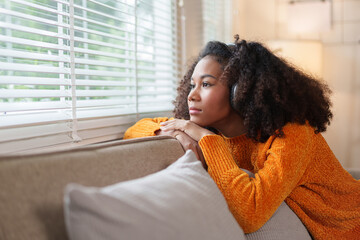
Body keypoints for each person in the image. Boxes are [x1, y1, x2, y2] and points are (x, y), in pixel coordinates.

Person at [124, 35, 360, 239]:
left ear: (241, 90)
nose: (191, 95)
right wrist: (178, 131)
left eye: (206, 84)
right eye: (192, 85)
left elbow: (249, 214)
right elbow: (134, 130)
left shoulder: (292, 132)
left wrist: (208, 140)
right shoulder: (208, 126)